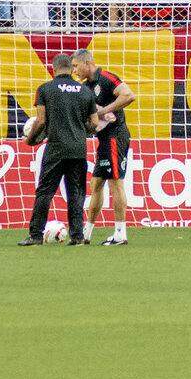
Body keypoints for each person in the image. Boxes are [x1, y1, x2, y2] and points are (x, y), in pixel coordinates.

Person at [19, 53, 95, 247]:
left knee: (45, 192)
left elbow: (41, 120)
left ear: (53, 69)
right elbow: (94, 123)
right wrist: (79, 126)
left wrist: (30, 139)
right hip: (78, 148)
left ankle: (36, 235)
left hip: (56, 148)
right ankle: (77, 236)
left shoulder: (45, 89)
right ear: (71, 69)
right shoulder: (85, 91)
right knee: (76, 193)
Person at [76, 50, 135, 247]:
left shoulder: (107, 78)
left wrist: (104, 110)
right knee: (96, 184)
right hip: (103, 139)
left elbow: (128, 95)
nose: (75, 70)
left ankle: (120, 233)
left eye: (76, 66)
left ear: (87, 62)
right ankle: (87, 233)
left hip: (116, 137)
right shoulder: (85, 88)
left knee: (115, 183)